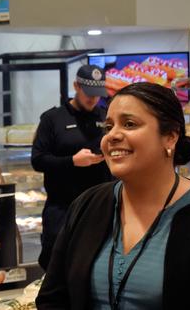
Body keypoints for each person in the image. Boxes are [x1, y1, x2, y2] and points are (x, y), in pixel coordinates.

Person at [36, 82, 190, 309]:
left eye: (129, 124)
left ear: (170, 136)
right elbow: (53, 297)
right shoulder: (88, 206)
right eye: (109, 127)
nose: (112, 136)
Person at [31, 64, 113, 270]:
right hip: (62, 207)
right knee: (56, 265)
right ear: (76, 86)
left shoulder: (106, 117)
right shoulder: (53, 119)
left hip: (99, 207)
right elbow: (38, 160)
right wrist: (72, 161)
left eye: (98, 95)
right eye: (89, 94)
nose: (93, 99)